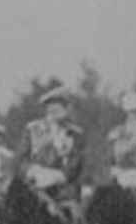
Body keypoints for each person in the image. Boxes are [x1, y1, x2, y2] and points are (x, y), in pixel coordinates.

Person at [15, 87, 86, 215]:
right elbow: (21, 159)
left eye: (60, 106)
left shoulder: (75, 133)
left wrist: (56, 176)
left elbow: (75, 163)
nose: (55, 110)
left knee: (77, 223)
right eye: (52, 106)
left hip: (63, 190)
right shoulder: (32, 129)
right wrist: (33, 172)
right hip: (34, 186)